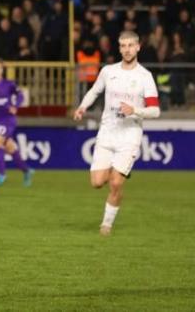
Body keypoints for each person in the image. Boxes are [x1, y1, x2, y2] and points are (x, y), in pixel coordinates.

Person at [73, 31, 160, 236]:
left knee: (115, 182)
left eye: (131, 45)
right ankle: (117, 179)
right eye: (123, 46)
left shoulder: (145, 76)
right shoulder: (108, 71)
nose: (127, 49)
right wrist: (82, 107)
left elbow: (155, 110)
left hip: (129, 135)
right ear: (119, 48)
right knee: (96, 182)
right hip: (107, 132)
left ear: (138, 47)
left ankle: (106, 225)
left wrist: (135, 110)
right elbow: (95, 91)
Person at [0, 59, 34, 187]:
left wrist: (15, 105)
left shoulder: (9, 84)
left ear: (2, 70)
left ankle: (1, 174)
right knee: (10, 148)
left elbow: (21, 96)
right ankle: (27, 171)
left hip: (8, 120)